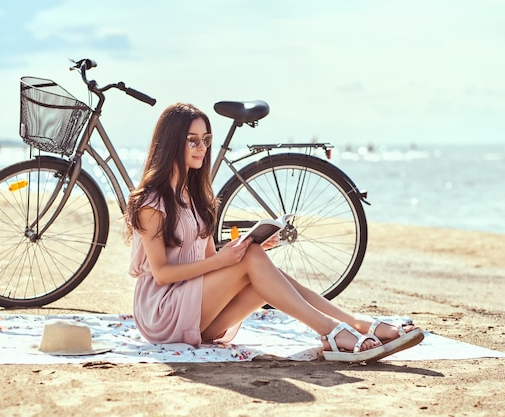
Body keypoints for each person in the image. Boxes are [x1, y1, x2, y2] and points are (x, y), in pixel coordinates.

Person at [126, 102, 424, 362]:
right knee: (252, 259)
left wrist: (243, 251)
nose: (202, 147)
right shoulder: (152, 203)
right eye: (192, 141)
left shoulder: (199, 198)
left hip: (196, 312)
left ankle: (355, 323)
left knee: (264, 272)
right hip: (162, 313)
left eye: (205, 139)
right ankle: (334, 331)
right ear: (171, 144)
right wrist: (229, 260)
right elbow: (163, 273)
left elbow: (209, 260)